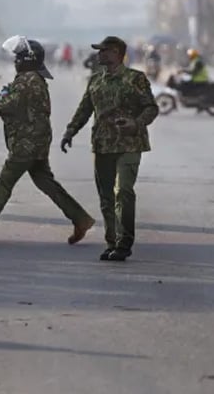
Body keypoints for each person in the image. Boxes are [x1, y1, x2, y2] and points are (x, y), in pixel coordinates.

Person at [0, 36, 95, 245]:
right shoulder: (34, 79)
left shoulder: (26, 80)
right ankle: (80, 219)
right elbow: (13, 102)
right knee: (46, 183)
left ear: (28, 59)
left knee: (5, 182)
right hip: (37, 141)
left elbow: (4, 107)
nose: (15, 61)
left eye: (18, 57)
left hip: (26, 144)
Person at [61, 35, 158, 262]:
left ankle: (125, 243)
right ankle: (111, 242)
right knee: (106, 197)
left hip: (130, 143)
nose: (99, 54)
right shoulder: (95, 80)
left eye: (104, 51)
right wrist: (70, 131)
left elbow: (151, 108)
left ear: (117, 54)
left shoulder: (136, 79)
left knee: (123, 191)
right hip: (102, 144)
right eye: (99, 50)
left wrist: (136, 123)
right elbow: (84, 109)